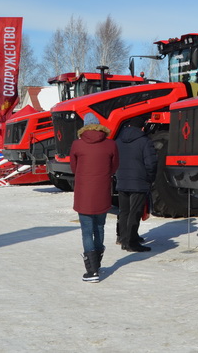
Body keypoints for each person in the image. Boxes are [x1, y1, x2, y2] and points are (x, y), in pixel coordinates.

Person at [69, 112, 118, 282]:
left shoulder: (77, 144)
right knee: (100, 227)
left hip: (83, 193)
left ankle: (92, 271)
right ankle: (96, 264)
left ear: (85, 126)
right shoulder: (111, 144)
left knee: (87, 231)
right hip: (102, 192)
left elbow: (74, 168)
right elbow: (114, 167)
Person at [114, 118, 156, 252]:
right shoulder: (144, 141)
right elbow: (151, 164)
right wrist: (149, 178)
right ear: (142, 127)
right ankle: (131, 242)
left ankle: (123, 239)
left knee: (124, 211)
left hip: (122, 180)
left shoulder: (118, 141)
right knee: (135, 212)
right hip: (138, 181)